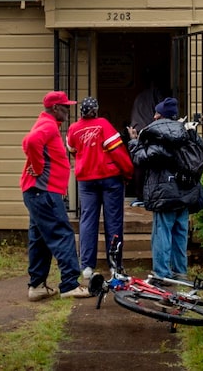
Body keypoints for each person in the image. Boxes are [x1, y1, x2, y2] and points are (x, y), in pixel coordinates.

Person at [127, 97, 203, 280]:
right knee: (180, 232)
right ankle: (180, 271)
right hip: (187, 190)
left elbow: (141, 159)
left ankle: (162, 273)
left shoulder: (155, 134)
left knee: (162, 233)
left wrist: (134, 142)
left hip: (164, 192)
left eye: (156, 112)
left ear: (159, 115)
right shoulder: (187, 131)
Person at [20, 91, 92, 301]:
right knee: (62, 234)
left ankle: (37, 286)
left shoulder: (47, 124)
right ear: (55, 108)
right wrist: (37, 166)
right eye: (65, 107)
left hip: (37, 192)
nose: (69, 111)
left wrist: (37, 166)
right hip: (44, 192)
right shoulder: (49, 125)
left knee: (40, 239)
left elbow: (29, 142)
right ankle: (70, 284)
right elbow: (31, 142)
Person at [66, 96, 134, 279]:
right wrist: (128, 173)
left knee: (87, 220)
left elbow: (73, 150)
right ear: (96, 110)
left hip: (86, 180)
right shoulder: (103, 125)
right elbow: (117, 152)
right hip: (110, 178)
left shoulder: (73, 129)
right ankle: (115, 266)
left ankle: (87, 266)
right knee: (113, 221)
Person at [128, 74, 164, 206]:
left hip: (138, 130)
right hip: (151, 132)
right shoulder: (157, 95)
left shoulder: (140, 97)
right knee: (153, 163)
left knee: (139, 163)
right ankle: (150, 195)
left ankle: (140, 196)